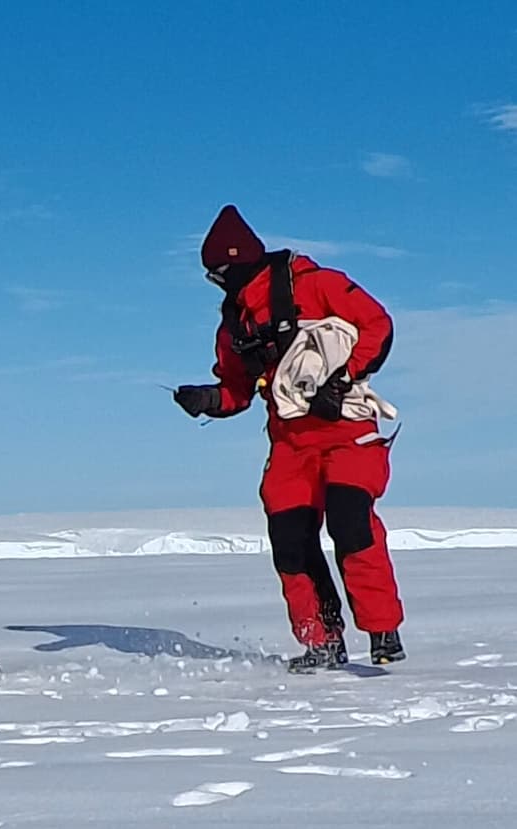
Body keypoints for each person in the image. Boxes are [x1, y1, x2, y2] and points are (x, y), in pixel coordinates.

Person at [173, 204, 405, 673]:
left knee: (350, 523)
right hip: (289, 446)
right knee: (290, 541)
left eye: (216, 274)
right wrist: (207, 399)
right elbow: (238, 391)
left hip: (347, 431)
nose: (214, 284)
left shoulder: (316, 284)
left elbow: (377, 325)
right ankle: (321, 642)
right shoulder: (233, 326)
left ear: (235, 263)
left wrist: (341, 380)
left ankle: (383, 631)